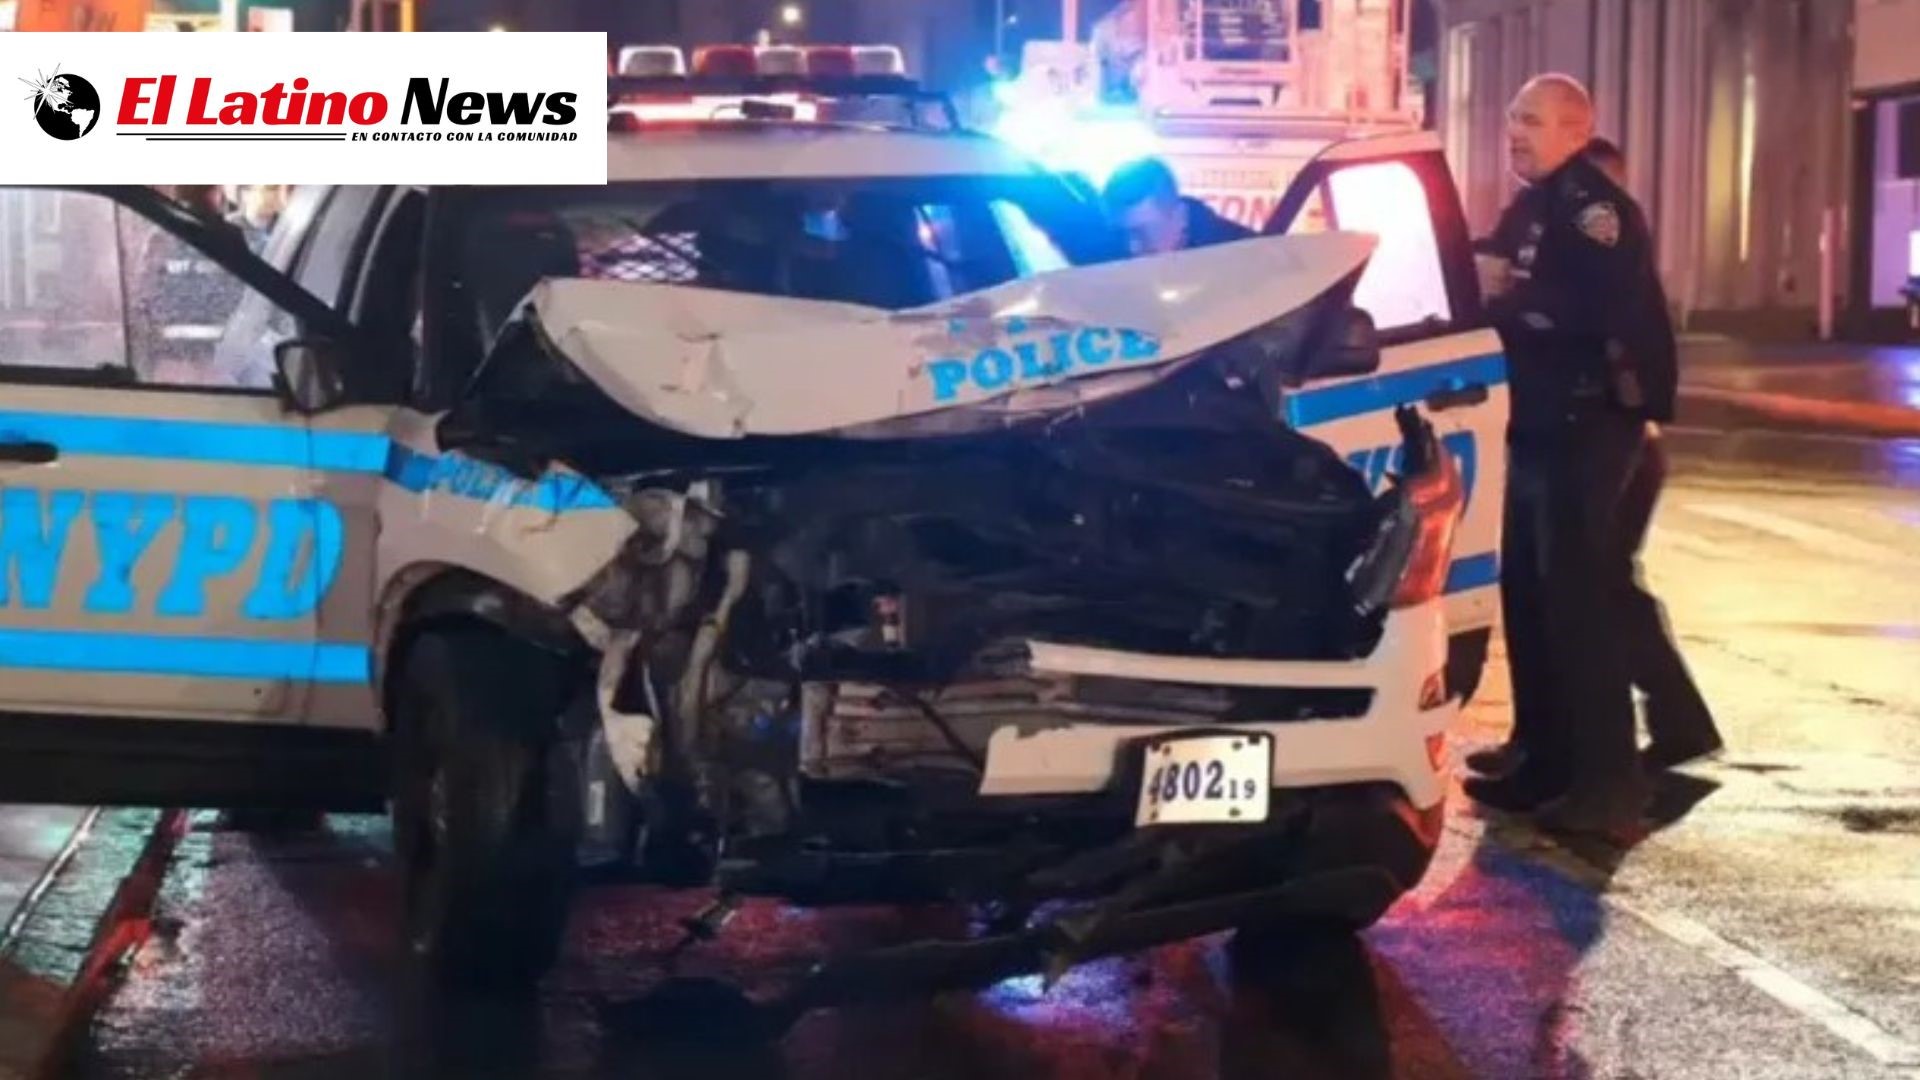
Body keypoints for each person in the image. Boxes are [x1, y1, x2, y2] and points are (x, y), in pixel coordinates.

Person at [1461, 75, 1678, 834]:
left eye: (1530, 120)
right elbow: (1488, 268)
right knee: (1528, 587)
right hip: (1539, 421)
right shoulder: (1533, 202)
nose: (1512, 131)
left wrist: (1509, 298)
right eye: (1512, 117)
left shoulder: (1594, 208)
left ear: (1574, 130)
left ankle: (1610, 786)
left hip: (1591, 421)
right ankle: (1545, 757)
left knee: (1579, 600)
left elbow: (1592, 308)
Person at [1101, 156, 1252, 256]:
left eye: (1142, 233)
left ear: (1180, 217)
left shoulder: (1245, 257)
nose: (1131, 247)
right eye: (1121, 234)